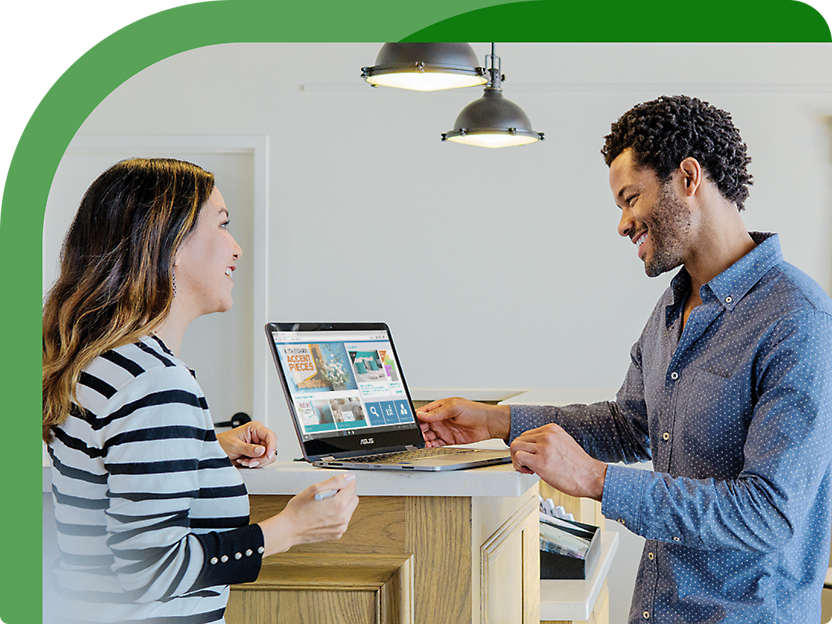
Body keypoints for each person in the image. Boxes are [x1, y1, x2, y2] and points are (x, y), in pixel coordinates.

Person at [417, 95, 832, 623]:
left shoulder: (799, 320)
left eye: (630, 198)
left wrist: (596, 480)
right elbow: (630, 423)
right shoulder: (674, 306)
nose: (622, 223)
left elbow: (769, 515)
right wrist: (496, 420)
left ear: (687, 178)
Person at [42, 158, 359, 624]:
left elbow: (107, 464)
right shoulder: (153, 381)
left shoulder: (106, 364)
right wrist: (291, 528)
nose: (237, 248)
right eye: (222, 225)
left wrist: (202, 449)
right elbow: (151, 572)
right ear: (166, 244)